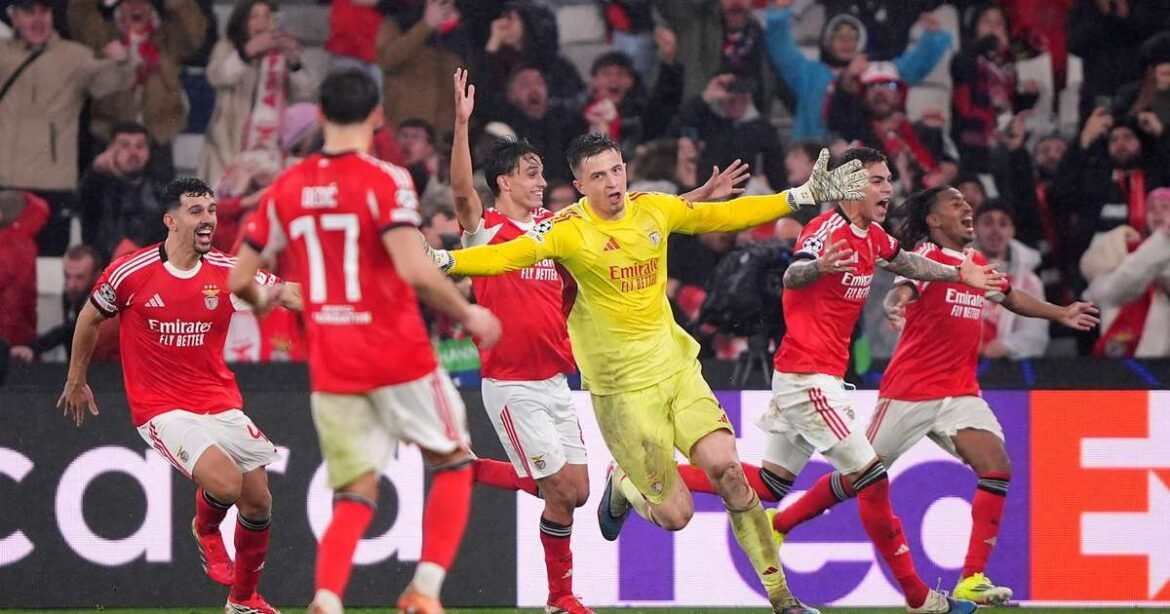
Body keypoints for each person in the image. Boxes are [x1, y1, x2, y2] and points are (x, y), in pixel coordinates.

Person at [428, 132, 873, 614]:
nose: (612, 182)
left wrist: (798, 196)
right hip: (622, 395)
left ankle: (782, 599)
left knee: (728, 472)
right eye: (598, 176)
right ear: (579, 186)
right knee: (674, 515)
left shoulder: (651, 208)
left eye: (617, 170)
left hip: (677, 371)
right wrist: (450, 260)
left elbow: (720, 216)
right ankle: (623, 482)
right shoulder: (564, 230)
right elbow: (506, 255)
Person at [677, 149, 1000, 613]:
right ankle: (919, 598)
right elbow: (793, 273)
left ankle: (647, 478)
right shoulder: (826, 229)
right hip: (808, 378)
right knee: (871, 476)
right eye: (875, 180)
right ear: (848, 186)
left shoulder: (874, 237)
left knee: (769, 485)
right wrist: (819, 268)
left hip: (809, 376)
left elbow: (907, 262)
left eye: (889, 179)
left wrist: (955, 272)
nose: (887, 188)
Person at [227, 68, 501, 614]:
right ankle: (424, 590)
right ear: (377, 116)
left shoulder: (286, 188)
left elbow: (239, 281)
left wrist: (272, 295)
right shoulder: (387, 180)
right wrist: (470, 314)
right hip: (397, 352)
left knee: (355, 492)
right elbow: (415, 269)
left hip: (333, 365)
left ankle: (327, 598)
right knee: (451, 463)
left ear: (322, 116)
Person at [767, 185, 1098, 605]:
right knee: (860, 476)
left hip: (959, 392)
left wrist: (1061, 312)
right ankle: (781, 523)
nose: (967, 209)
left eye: (967, 203)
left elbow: (1011, 297)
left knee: (996, 465)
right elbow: (902, 286)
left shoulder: (975, 263)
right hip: (910, 392)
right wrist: (895, 302)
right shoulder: (927, 258)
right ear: (934, 220)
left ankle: (972, 577)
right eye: (955, 204)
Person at [57, 177, 300, 614]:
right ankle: (205, 530)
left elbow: (287, 293)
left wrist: (346, 301)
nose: (208, 219)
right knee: (225, 482)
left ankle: (243, 600)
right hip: (160, 407)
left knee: (259, 500)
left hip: (219, 399)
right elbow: (90, 318)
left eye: (211, 210)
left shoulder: (228, 271)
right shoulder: (131, 271)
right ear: (170, 220)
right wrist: (77, 377)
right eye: (196, 211)